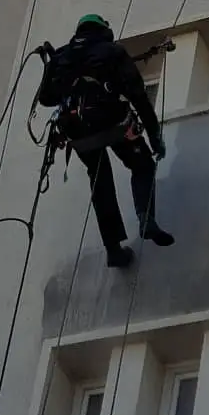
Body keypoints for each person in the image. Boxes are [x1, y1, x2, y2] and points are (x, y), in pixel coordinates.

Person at [40, 14, 174, 268]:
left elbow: (46, 99)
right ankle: (146, 218)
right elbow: (138, 95)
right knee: (142, 164)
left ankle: (113, 249)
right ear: (104, 30)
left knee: (99, 180)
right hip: (113, 125)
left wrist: (52, 65)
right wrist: (155, 136)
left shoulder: (61, 56)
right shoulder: (113, 52)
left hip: (78, 134)